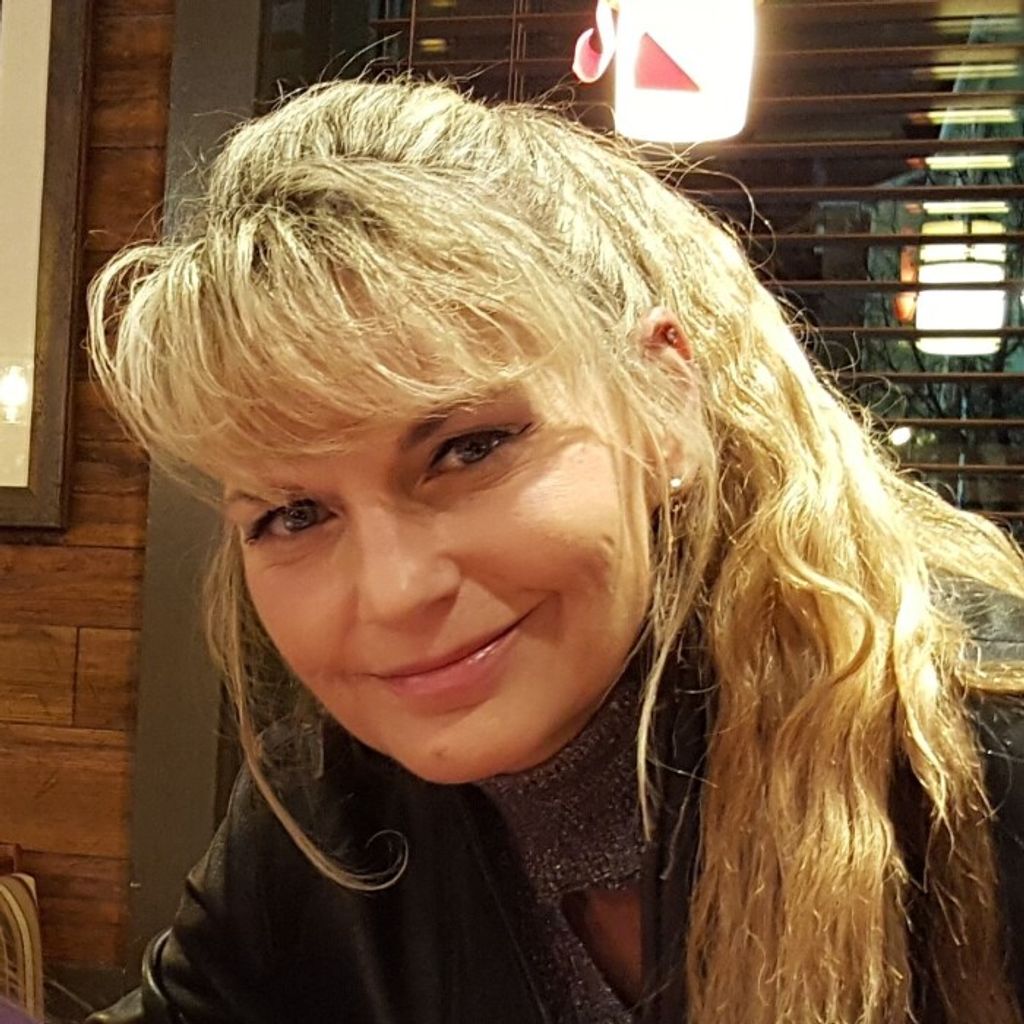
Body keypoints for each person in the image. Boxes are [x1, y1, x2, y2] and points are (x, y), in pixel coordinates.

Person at [86, 77, 1024, 1024]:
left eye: (470, 449)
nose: (395, 590)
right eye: (295, 514)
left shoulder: (983, 753)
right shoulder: (326, 811)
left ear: (663, 403)